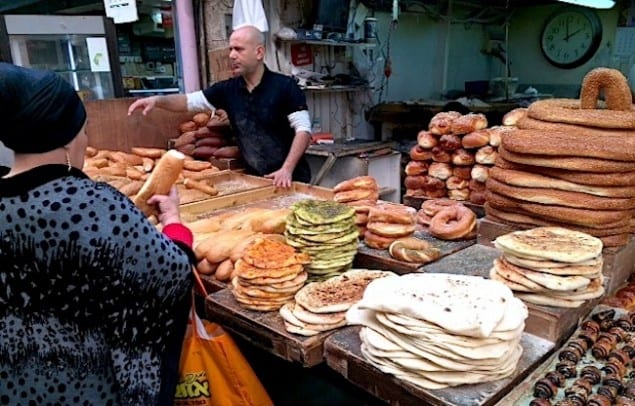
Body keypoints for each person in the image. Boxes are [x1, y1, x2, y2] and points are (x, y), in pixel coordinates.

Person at [0, 62, 195, 405]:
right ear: (67, 138)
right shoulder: (92, 205)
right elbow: (168, 277)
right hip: (87, 387)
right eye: (84, 130)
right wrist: (175, 225)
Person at [128, 25, 312, 188]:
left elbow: (303, 131)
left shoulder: (285, 87)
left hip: (292, 180)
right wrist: (158, 101)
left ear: (259, 53)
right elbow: (188, 102)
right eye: (231, 49)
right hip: (256, 180)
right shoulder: (228, 90)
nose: (232, 55)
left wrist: (286, 169)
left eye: (239, 49)